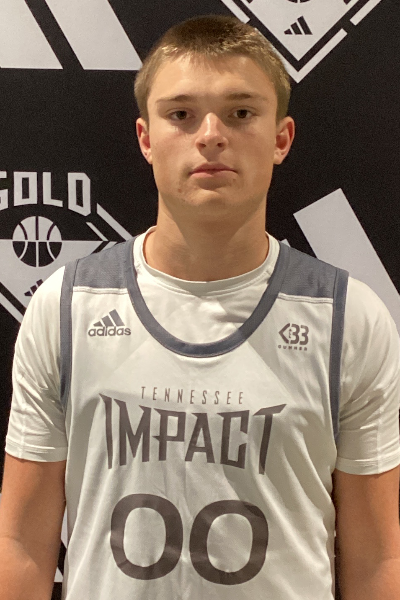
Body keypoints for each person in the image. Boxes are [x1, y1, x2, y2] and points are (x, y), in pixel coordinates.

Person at [0, 14, 399, 600]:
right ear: (146, 138)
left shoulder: (348, 318)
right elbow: (21, 544)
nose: (211, 135)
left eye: (240, 112)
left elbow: (375, 559)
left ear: (282, 138)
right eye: (182, 114)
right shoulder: (67, 306)